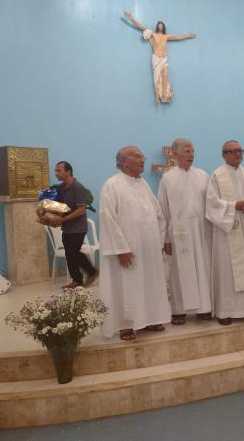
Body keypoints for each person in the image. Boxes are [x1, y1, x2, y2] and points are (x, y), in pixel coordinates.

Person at [98, 146, 171, 340]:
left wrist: (161, 238)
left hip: (148, 248)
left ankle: (151, 318)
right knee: (127, 285)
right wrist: (120, 249)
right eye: (137, 156)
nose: (142, 160)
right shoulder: (112, 185)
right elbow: (107, 218)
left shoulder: (143, 184)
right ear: (123, 161)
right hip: (127, 250)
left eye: (142, 156)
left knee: (150, 282)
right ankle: (126, 325)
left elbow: (157, 214)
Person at [157, 138, 212, 325]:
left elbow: (211, 204)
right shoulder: (167, 178)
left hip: (201, 229)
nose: (192, 155)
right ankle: (179, 310)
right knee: (179, 270)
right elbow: (162, 210)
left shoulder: (203, 175)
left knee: (202, 267)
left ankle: (204, 308)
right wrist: (165, 238)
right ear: (175, 154)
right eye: (187, 151)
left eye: (193, 151)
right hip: (179, 232)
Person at [206, 140, 244, 325]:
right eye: (233, 151)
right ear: (224, 154)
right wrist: (234, 205)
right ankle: (226, 311)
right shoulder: (216, 176)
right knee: (227, 271)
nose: (238, 154)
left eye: (240, 151)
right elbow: (211, 204)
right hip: (227, 231)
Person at [124, 11, 196, 103]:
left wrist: (188, 35)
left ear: (163, 27)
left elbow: (178, 37)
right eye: (159, 25)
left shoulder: (166, 36)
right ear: (157, 27)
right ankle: (157, 96)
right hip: (156, 57)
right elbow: (141, 27)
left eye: (162, 25)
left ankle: (165, 96)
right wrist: (131, 17)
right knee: (156, 77)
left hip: (164, 58)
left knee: (165, 76)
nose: (160, 26)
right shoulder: (153, 34)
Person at [53, 161, 97, 289]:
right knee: (69, 254)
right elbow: (60, 206)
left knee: (73, 252)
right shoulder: (61, 188)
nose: (56, 173)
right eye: (55, 171)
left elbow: (81, 210)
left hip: (78, 228)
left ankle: (91, 272)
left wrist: (63, 219)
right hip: (67, 227)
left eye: (59, 170)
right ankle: (77, 280)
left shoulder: (78, 187)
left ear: (68, 172)